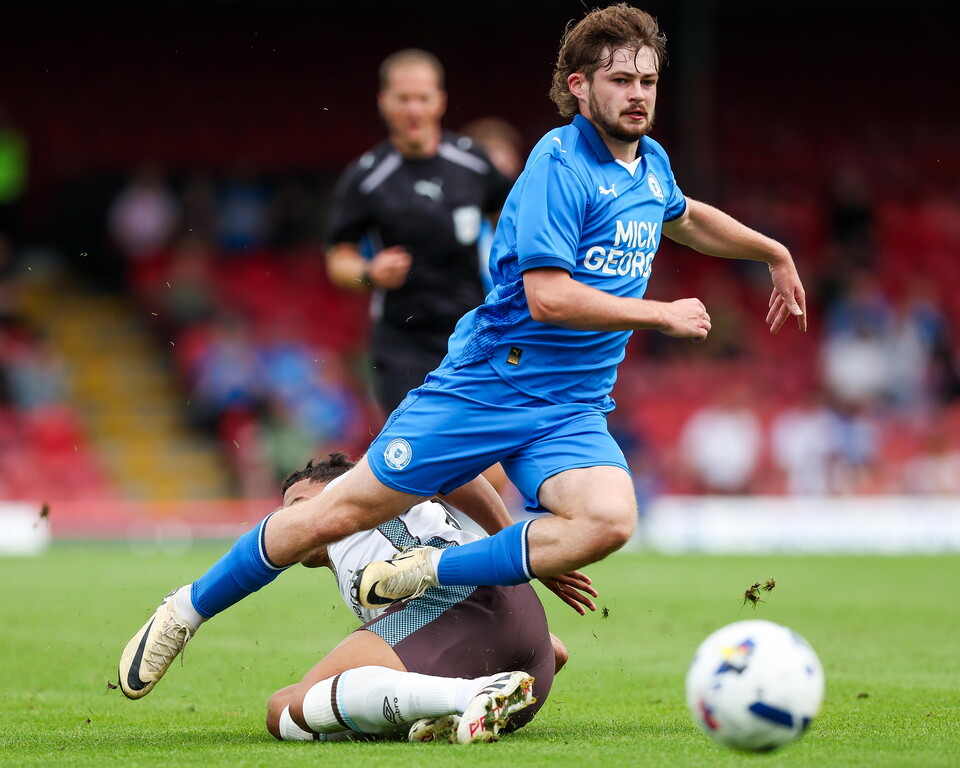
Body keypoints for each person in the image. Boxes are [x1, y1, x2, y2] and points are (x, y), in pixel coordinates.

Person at [119, 4, 806, 697]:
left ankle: (427, 569)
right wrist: (658, 312)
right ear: (578, 86)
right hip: (486, 387)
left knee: (608, 520)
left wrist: (771, 251)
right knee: (334, 514)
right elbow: (548, 298)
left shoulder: (650, 164)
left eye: (649, 81)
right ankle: (185, 610)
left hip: (569, 409)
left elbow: (685, 217)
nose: (638, 94)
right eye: (621, 79)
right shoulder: (556, 165)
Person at [262, 453, 576, 744]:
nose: (288, 521)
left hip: (462, 603)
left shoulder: (354, 491)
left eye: (298, 505)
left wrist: (513, 544)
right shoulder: (351, 552)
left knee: (301, 704)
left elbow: (453, 472)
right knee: (281, 708)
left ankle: (470, 695)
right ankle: (450, 709)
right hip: (528, 653)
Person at [324, 49, 512, 416]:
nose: (413, 110)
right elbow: (337, 258)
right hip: (401, 341)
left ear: (440, 102)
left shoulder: (473, 162)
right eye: (403, 99)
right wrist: (368, 272)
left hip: (471, 332)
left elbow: (510, 221)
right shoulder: (366, 177)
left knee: (478, 450)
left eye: (422, 98)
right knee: (414, 454)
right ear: (383, 102)